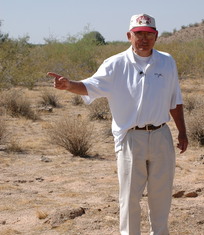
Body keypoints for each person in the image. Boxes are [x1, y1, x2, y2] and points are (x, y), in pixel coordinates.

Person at [48, 13, 188, 235]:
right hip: (131, 138)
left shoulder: (167, 61)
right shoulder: (115, 64)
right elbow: (90, 85)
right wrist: (68, 85)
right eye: (138, 34)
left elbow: (175, 100)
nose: (144, 39)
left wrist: (182, 132)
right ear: (129, 36)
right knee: (130, 198)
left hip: (162, 136)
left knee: (161, 196)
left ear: (156, 36)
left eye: (148, 34)